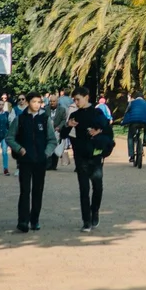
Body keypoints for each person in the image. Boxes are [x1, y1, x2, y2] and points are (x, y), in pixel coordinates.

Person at [62, 87, 114, 232]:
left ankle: (94, 210)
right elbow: (64, 135)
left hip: (96, 155)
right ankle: (86, 220)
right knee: (83, 189)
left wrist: (99, 131)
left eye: (78, 99)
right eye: (74, 100)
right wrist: (68, 126)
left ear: (86, 97)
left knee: (97, 186)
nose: (76, 102)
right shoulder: (74, 114)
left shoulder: (97, 113)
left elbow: (109, 132)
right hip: (80, 155)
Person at [7, 93, 57, 232]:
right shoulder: (20, 119)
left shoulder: (45, 119)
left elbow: (52, 140)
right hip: (25, 161)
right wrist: (19, 149)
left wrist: (46, 153)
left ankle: (34, 220)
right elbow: (9, 137)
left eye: (39, 102)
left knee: (37, 191)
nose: (37, 104)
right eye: (34, 101)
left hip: (40, 161)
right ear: (28, 102)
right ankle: (23, 221)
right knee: (25, 190)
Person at [123, 91, 146, 162]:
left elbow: (127, 111)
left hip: (134, 122)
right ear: (142, 98)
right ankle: (145, 141)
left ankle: (132, 155)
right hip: (144, 122)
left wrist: (124, 121)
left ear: (135, 97)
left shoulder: (131, 103)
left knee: (130, 137)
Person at [47, 96, 69, 171]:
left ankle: (54, 165)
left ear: (57, 101)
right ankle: (48, 165)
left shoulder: (62, 110)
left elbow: (64, 120)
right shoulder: (46, 109)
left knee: (56, 148)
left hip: (58, 132)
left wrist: (59, 127)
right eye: (51, 101)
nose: (52, 103)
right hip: (48, 131)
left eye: (54, 101)